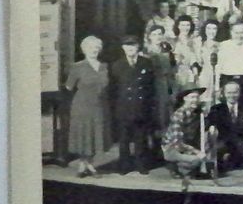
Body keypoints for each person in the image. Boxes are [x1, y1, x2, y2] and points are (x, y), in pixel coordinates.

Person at [65, 35, 111, 177]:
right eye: (90, 47)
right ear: (84, 49)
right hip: (82, 105)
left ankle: (86, 164)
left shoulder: (104, 66)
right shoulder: (77, 67)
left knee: (94, 134)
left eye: (97, 47)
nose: (94, 50)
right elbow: (68, 87)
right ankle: (86, 166)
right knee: (83, 134)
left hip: (99, 105)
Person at [109, 35, 155, 175]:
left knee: (140, 137)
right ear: (123, 48)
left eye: (133, 45)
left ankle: (141, 164)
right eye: (127, 45)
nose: (130, 48)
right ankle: (124, 165)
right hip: (124, 107)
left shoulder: (146, 63)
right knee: (124, 139)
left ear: (138, 47)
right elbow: (113, 89)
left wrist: (150, 105)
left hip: (141, 106)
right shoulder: (117, 65)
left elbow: (150, 87)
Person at [161, 86, 215, 177]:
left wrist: (211, 126)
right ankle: (175, 166)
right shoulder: (179, 115)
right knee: (197, 160)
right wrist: (197, 152)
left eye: (197, 97)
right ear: (185, 98)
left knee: (206, 161)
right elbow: (178, 142)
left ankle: (186, 168)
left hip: (187, 146)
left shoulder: (197, 113)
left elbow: (204, 127)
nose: (195, 100)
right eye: (192, 97)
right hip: (172, 148)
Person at [207, 80, 243, 173]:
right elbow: (210, 121)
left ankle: (231, 159)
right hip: (224, 141)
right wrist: (212, 127)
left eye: (235, 92)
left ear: (239, 93)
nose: (232, 96)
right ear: (224, 94)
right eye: (229, 93)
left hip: (240, 141)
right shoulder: (217, 108)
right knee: (219, 154)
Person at [143, 25, 176, 135]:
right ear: (149, 37)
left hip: (164, 84)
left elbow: (172, 71)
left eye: (159, 34)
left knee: (164, 110)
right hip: (150, 84)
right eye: (154, 34)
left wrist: (172, 90)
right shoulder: (145, 52)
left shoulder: (167, 51)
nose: (157, 36)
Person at [217, 22, 243, 106]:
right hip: (227, 79)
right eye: (236, 33)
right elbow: (218, 67)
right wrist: (217, 88)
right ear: (231, 33)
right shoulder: (224, 46)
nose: (239, 36)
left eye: (242, 32)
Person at [173, 16, 202, 89]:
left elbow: (194, 60)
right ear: (178, 26)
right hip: (176, 74)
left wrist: (196, 75)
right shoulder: (173, 41)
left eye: (187, 25)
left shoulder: (193, 42)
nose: (185, 28)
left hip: (189, 74)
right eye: (182, 25)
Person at [197, 20, 221, 103]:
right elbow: (199, 62)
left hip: (217, 76)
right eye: (209, 28)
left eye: (214, 29)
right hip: (204, 76)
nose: (211, 31)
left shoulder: (221, 45)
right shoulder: (200, 45)